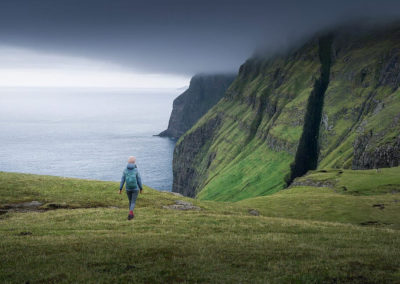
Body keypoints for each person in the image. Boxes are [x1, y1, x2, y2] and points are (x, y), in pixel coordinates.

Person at [119, 156, 143, 220]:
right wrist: (141, 188)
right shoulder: (136, 170)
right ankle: (130, 213)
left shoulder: (125, 170)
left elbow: (122, 180)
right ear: (134, 162)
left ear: (128, 162)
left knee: (130, 201)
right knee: (133, 202)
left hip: (128, 188)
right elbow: (139, 180)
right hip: (135, 188)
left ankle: (131, 214)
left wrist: (120, 189)